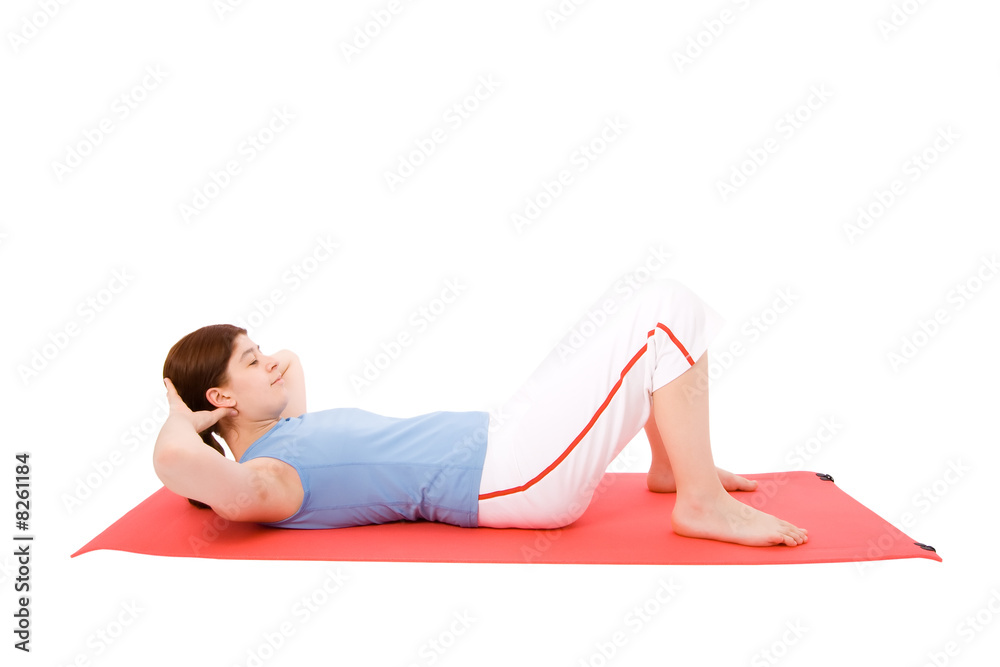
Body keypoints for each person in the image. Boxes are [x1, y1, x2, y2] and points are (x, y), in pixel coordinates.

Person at [154, 276, 808, 547]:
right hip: (509, 476)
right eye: (250, 359)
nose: (271, 360)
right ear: (221, 400)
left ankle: (673, 466)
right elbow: (182, 463)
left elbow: (291, 363)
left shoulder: (286, 427)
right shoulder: (269, 477)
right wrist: (184, 414)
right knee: (665, 316)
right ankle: (699, 500)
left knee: (649, 308)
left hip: (501, 435)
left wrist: (237, 387)